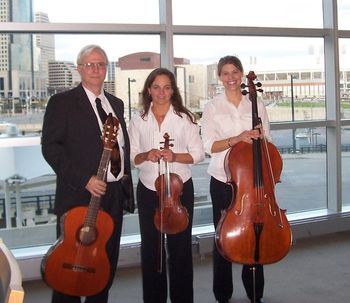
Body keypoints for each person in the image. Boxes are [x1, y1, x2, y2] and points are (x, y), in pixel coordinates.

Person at [41, 44, 135, 303]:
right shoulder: (62, 103)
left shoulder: (116, 103)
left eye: (101, 64)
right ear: (79, 68)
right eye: (90, 64)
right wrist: (85, 179)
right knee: (68, 266)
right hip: (79, 195)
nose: (96, 69)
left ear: (107, 68)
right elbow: (51, 149)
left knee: (104, 264)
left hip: (113, 194)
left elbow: (121, 146)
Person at [128, 67, 205, 303]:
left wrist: (176, 156)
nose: (161, 92)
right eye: (156, 87)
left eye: (167, 87)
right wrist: (146, 155)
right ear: (148, 91)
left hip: (179, 190)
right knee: (152, 251)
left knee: (180, 250)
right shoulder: (138, 120)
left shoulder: (185, 119)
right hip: (149, 190)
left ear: (173, 91)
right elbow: (132, 157)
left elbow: (199, 154)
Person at [201, 55, 272, 303]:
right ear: (219, 77)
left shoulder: (256, 103)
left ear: (242, 75)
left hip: (252, 182)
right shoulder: (212, 107)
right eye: (225, 73)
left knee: (255, 234)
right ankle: (222, 294)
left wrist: (259, 136)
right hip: (222, 180)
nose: (231, 78)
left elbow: (267, 143)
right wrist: (237, 138)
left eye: (235, 72)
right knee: (223, 237)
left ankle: (255, 293)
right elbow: (209, 145)